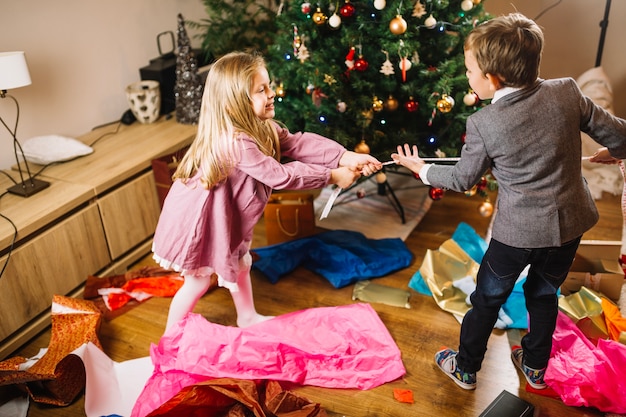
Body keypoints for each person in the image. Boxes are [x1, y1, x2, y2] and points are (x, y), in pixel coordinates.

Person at [392, 13, 626, 390]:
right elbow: (618, 133)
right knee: (544, 292)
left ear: (493, 79)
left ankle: (466, 369)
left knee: (487, 297)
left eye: (470, 71)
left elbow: (463, 178)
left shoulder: (484, 123)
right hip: (569, 225)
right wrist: (613, 150)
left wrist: (421, 169)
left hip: (516, 236)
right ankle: (535, 367)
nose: (467, 77)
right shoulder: (566, 90)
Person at [153, 51, 382, 331]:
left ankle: (247, 317)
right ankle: (169, 341)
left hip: (224, 214)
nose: (271, 94)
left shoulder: (263, 126)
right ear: (236, 102)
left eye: (269, 86)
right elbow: (280, 176)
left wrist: (345, 156)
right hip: (199, 219)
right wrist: (332, 175)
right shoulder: (236, 141)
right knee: (198, 281)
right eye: (261, 90)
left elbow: (298, 144)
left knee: (241, 263)